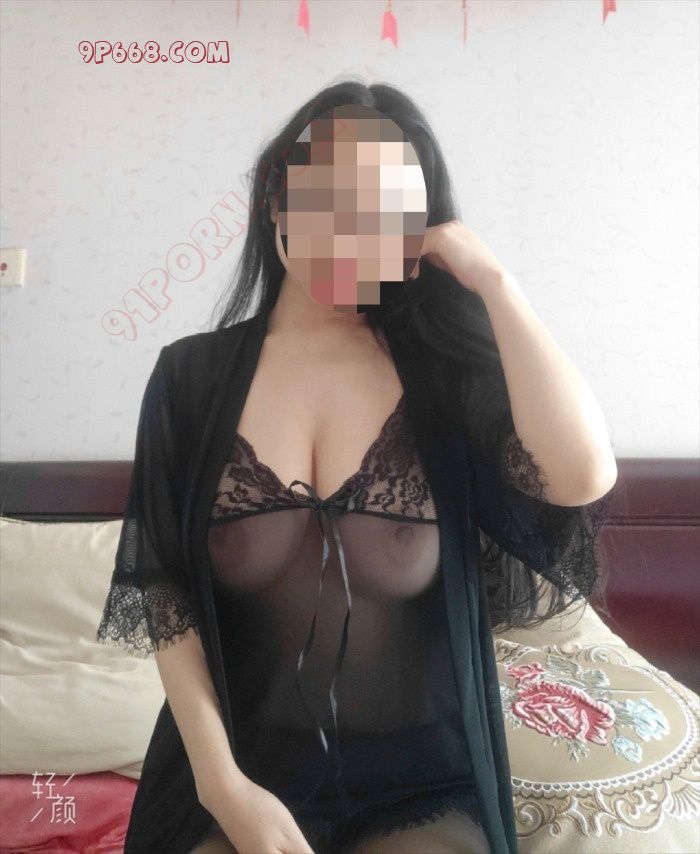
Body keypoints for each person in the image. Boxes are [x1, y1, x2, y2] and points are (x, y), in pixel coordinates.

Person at [97, 81, 617, 854]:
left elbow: (580, 477)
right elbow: (165, 592)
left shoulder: (442, 377)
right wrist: (222, 785)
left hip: (419, 784)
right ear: (277, 198)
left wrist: (496, 285)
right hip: (235, 775)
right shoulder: (189, 379)